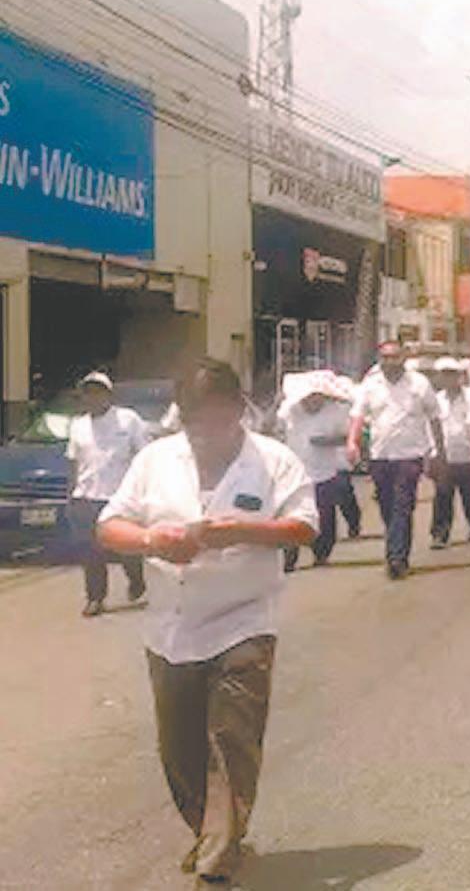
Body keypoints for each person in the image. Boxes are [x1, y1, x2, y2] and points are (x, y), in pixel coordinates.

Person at [95, 359, 317, 886]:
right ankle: (212, 832)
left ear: (240, 409)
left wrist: (245, 530)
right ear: (183, 415)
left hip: (243, 621)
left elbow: (305, 526)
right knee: (180, 751)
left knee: (232, 743)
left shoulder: (273, 460)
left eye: (220, 420)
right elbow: (109, 525)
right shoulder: (156, 459)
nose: (209, 434)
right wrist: (152, 541)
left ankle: (217, 861)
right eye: (198, 422)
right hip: (169, 628)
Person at [347, 342, 445, 579]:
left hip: (410, 455)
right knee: (387, 506)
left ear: (403, 358)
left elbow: (434, 417)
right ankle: (397, 547)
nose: (390, 362)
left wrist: (439, 451)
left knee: (402, 505)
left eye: (394, 357)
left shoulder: (419, 384)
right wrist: (352, 442)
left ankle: (396, 558)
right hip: (380, 456)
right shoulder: (371, 385)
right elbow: (358, 416)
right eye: (385, 357)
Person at [65, 370, 150, 616]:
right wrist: (71, 495)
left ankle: (136, 579)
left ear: (108, 395)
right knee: (91, 551)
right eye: (88, 393)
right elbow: (73, 461)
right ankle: (95, 598)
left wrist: (142, 490)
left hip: (119, 497)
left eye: (98, 392)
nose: (93, 397)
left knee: (126, 549)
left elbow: (144, 456)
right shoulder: (78, 425)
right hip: (86, 498)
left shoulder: (128, 420)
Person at [274, 372, 361, 570]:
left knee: (324, 515)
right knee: (292, 514)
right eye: (309, 397)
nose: (313, 401)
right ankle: (289, 555)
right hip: (295, 472)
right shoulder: (290, 411)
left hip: (324, 471)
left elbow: (347, 437)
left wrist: (328, 441)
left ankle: (321, 551)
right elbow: (276, 430)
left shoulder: (335, 412)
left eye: (317, 397)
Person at [429, 358, 470, 550]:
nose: (449, 379)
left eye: (452, 374)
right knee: (442, 496)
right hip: (445, 456)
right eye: (445, 375)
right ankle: (440, 534)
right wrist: (432, 455)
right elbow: (429, 428)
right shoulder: (436, 400)